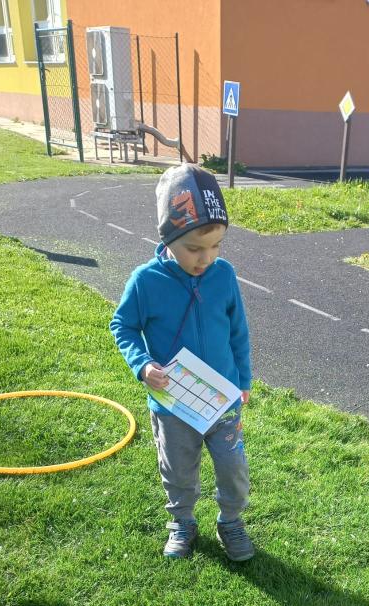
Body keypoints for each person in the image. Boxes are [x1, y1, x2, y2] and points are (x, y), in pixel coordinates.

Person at [110, 164, 253, 561]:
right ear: (168, 238)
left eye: (216, 245)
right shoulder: (145, 281)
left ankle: (231, 521)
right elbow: (123, 325)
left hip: (222, 399)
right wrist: (142, 365)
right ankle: (182, 522)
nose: (206, 258)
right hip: (173, 403)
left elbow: (238, 331)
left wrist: (243, 379)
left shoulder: (224, 275)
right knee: (178, 468)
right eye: (194, 248)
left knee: (233, 467)